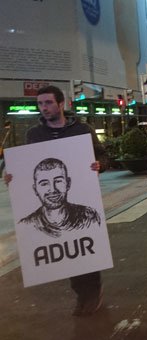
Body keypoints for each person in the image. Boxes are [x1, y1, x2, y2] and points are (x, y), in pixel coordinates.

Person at [3, 85, 105, 316]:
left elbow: (102, 154)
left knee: (87, 247)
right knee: (67, 253)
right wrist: (12, 176)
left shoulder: (82, 129)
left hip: (81, 197)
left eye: (48, 103)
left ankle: (92, 293)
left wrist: (100, 165)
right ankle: (81, 295)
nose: (44, 108)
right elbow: (29, 165)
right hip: (50, 208)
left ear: (61, 104)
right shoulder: (34, 134)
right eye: (40, 104)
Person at [18, 158, 102, 238]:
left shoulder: (89, 216)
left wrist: (100, 164)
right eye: (44, 183)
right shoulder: (27, 224)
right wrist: (12, 181)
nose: (53, 190)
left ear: (68, 183)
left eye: (58, 181)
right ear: (35, 189)